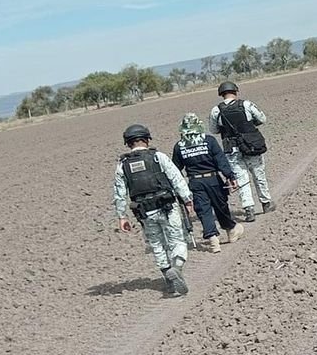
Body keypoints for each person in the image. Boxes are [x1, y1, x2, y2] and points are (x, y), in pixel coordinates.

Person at [111, 123, 194, 297]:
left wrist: (122, 216)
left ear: (128, 143)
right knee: (177, 240)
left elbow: (119, 193)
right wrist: (187, 199)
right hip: (167, 207)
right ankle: (177, 268)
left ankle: (168, 279)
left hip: (144, 212)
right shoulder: (158, 157)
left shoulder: (122, 166)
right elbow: (177, 178)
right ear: (147, 139)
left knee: (157, 245)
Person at [172, 113, 242, 253]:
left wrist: (178, 188)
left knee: (203, 211)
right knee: (221, 206)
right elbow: (221, 161)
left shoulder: (179, 146)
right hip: (213, 179)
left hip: (195, 182)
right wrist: (230, 177)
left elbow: (175, 169)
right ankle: (231, 230)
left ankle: (213, 239)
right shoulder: (209, 141)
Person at [210, 82, 274, 222]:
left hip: (232, 149)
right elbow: (262, 119)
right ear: (235, 91)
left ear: (221, 94)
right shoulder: (246, 104)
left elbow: (214, 130)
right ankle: (266, 203)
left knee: (241, 179)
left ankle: (249, 210)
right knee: (259, 175)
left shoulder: (216, 110)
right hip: (251, 146)